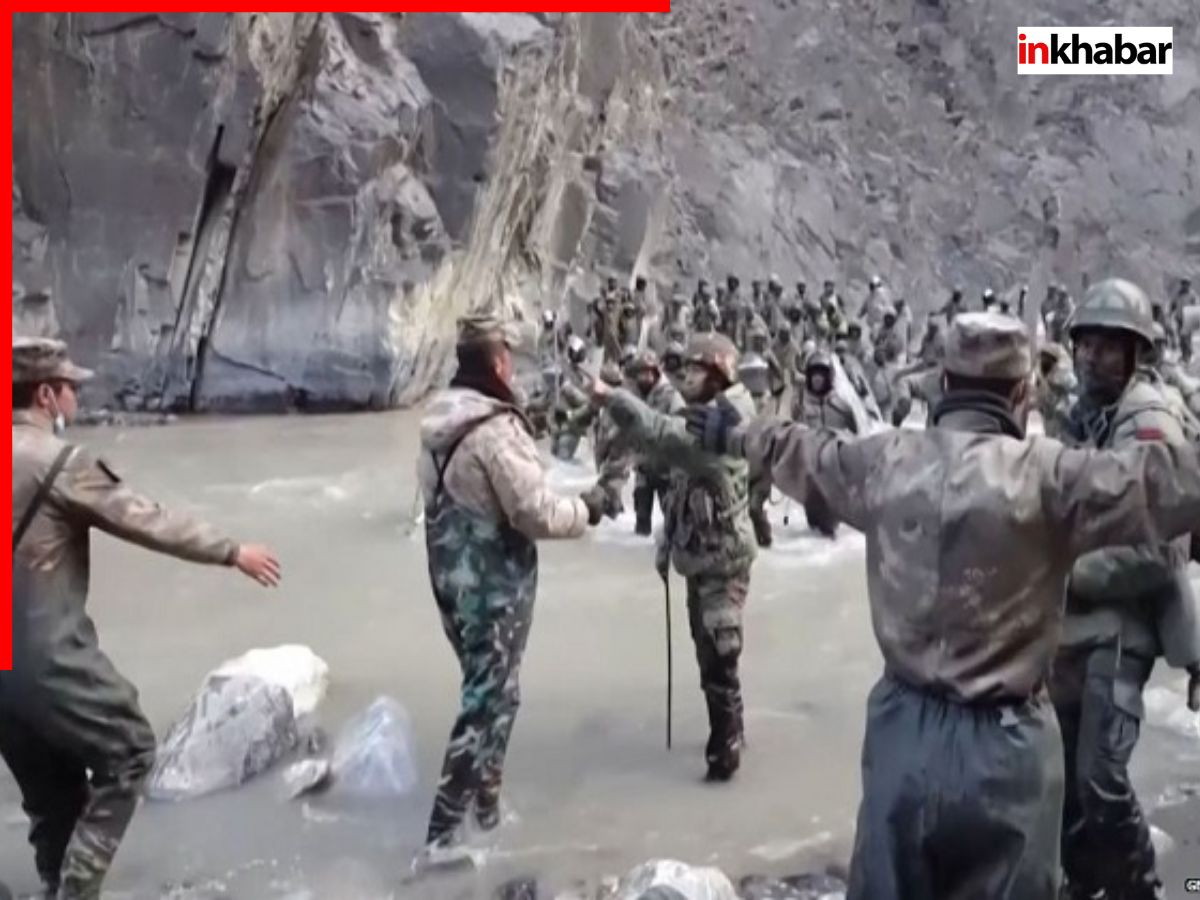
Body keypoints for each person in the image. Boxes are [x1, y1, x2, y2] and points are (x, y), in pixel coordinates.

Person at [674, 313, 1200, 900]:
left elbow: (804, 451)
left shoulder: (883, 461)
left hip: (902, 732)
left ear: (944, 385)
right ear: (1021, 394)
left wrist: (739, 434)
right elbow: (1166, 483)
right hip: (1009, 747)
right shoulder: (1052, 478)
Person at [6, 337, 281, 900]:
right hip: (44, 657)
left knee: (51, 793)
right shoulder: (60, 463)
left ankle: (55, 884)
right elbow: (149, 521)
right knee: (130, 750)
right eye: (71, 389)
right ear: (46, 395)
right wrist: (232, 551)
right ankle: (75, 893)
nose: (77, 399)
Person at [414, 315, 617, 871]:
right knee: (487, 701)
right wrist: (588, 509)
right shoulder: (493, 430)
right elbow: (536, 513)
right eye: (509, 357)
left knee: (497, 693)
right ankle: (442, 837)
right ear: (500, 363)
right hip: (493, 589)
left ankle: (486, 810)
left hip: (450, 582)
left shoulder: (440, 420)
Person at [1054, 278, 1200, 900]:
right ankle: (1085, 881)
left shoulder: (1148, 423)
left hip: (1123, 625)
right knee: (1062, 779)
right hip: (1073, 626)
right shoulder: (1082, 416)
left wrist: (1068, 574)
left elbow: (1160, 550)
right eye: (1085, 345)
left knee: (1101, 781)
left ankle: (1140, 886)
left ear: (1136, 354)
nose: (1091, 359)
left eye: (1108, 348)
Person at [591, 333, 758, 782]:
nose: (686, 376)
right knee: (708, 655)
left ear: (718, 374)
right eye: (685, 368)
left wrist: (612, 398)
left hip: (723, 561)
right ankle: (733, 729)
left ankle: (725, 748)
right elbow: (682, 487)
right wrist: (667, 543)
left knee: (720, 653)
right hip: (698, 554)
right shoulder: (704, 415)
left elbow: (664, 435)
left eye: (697, 369)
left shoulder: (726, 423)